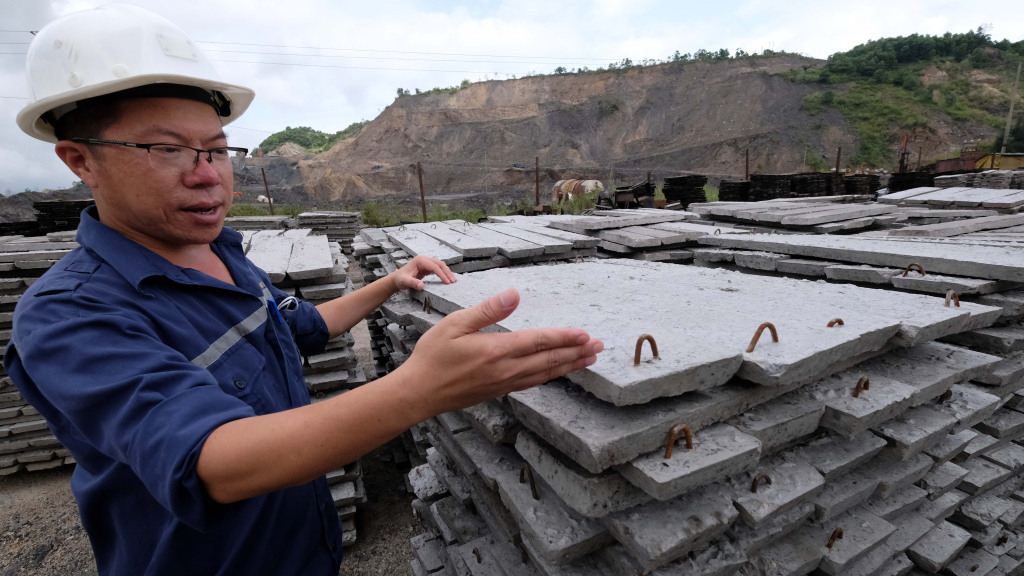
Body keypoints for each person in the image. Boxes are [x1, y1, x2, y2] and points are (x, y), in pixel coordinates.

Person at [7, 5, 603, 575]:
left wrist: (388, 283)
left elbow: (302, 327)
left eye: (217, 149)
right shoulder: (70, 315)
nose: (208, 173)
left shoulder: (227, 259)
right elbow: (210, 461)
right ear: (79, 160)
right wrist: (420, 388)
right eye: (168, 149)